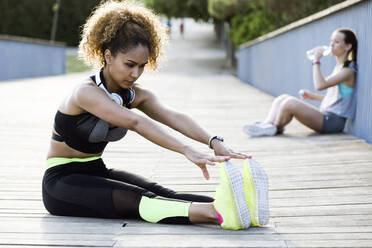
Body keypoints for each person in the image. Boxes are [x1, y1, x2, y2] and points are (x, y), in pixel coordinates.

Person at [42, 1, 269, 230]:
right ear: (108, 56)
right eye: (129, 64)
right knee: (140, 199)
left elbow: (174, 116)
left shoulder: (133, 94)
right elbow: (136, 122)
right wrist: (187, 150)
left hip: (96, 170)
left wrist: (214, 142)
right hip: (61, 183)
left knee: (162, 193)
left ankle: (242, 208)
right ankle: (218, 214)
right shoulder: (85, 93)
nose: (135, 74)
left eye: (141, 66)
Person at [243, 28, 358, 137]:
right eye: (331, 41)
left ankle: (272, 127)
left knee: (290, 103)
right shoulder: (340, 67)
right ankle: (268, 125)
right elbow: (336, 99)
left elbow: (320, 85)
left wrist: (316, 61)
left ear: (348, 46)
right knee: (282, 98)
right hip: (327, 115)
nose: (331, 45)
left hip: (333, 122)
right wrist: (313, 97)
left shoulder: (348, 71)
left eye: (336, 42)